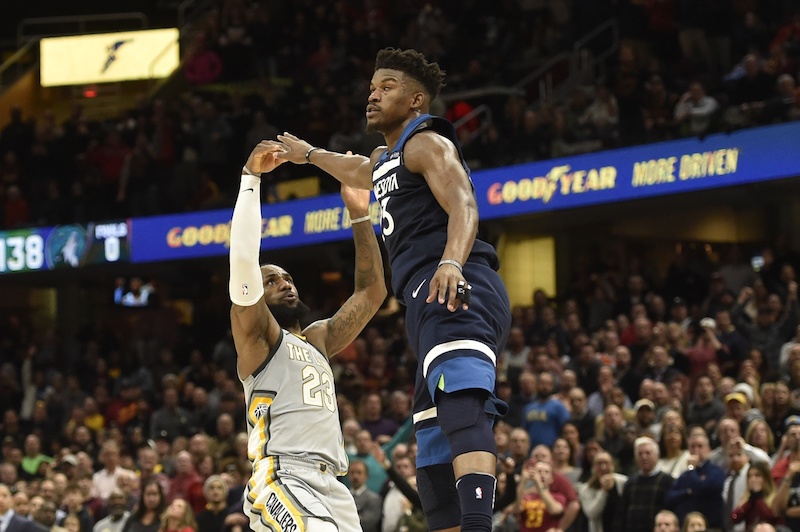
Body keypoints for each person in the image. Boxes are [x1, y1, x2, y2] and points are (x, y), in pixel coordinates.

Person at [275, 47, 511, 532]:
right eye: (371, 88)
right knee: (432, 446)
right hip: (423, 300)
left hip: (455, 282)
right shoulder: (388, 159)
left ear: (416, 99)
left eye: (387, 87)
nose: (373, 95)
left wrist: (451, 261)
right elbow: (357, 171)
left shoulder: (427, 143)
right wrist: (308, 155)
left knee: (462, 410)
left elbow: (465, 204)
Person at [229, 142, 387, 532]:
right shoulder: (259, 338)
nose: (285, 283)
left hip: (332, 485)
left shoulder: (318, 339)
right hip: (282, 475)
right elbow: (244, 259)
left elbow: (372, 292)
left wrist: (359, 213)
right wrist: (250, 179)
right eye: (271, 281)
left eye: (288, 278)